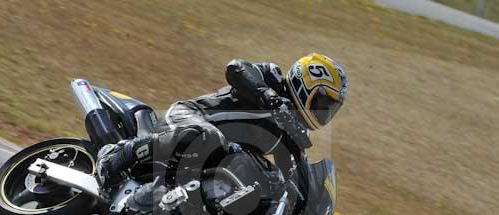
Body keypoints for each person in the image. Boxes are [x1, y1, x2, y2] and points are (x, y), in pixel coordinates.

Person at [96, 53, 348, 187]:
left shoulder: (292, 136)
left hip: (204, 161)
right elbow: (236, 68)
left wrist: (307, 205)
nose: (323, 111)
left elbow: (291, 176)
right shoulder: (271, 79)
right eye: (322, 103)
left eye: (330, 109)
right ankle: (119, 155)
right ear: (305, 85)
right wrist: (269, 97)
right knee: (208, 136)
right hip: (189, 118)